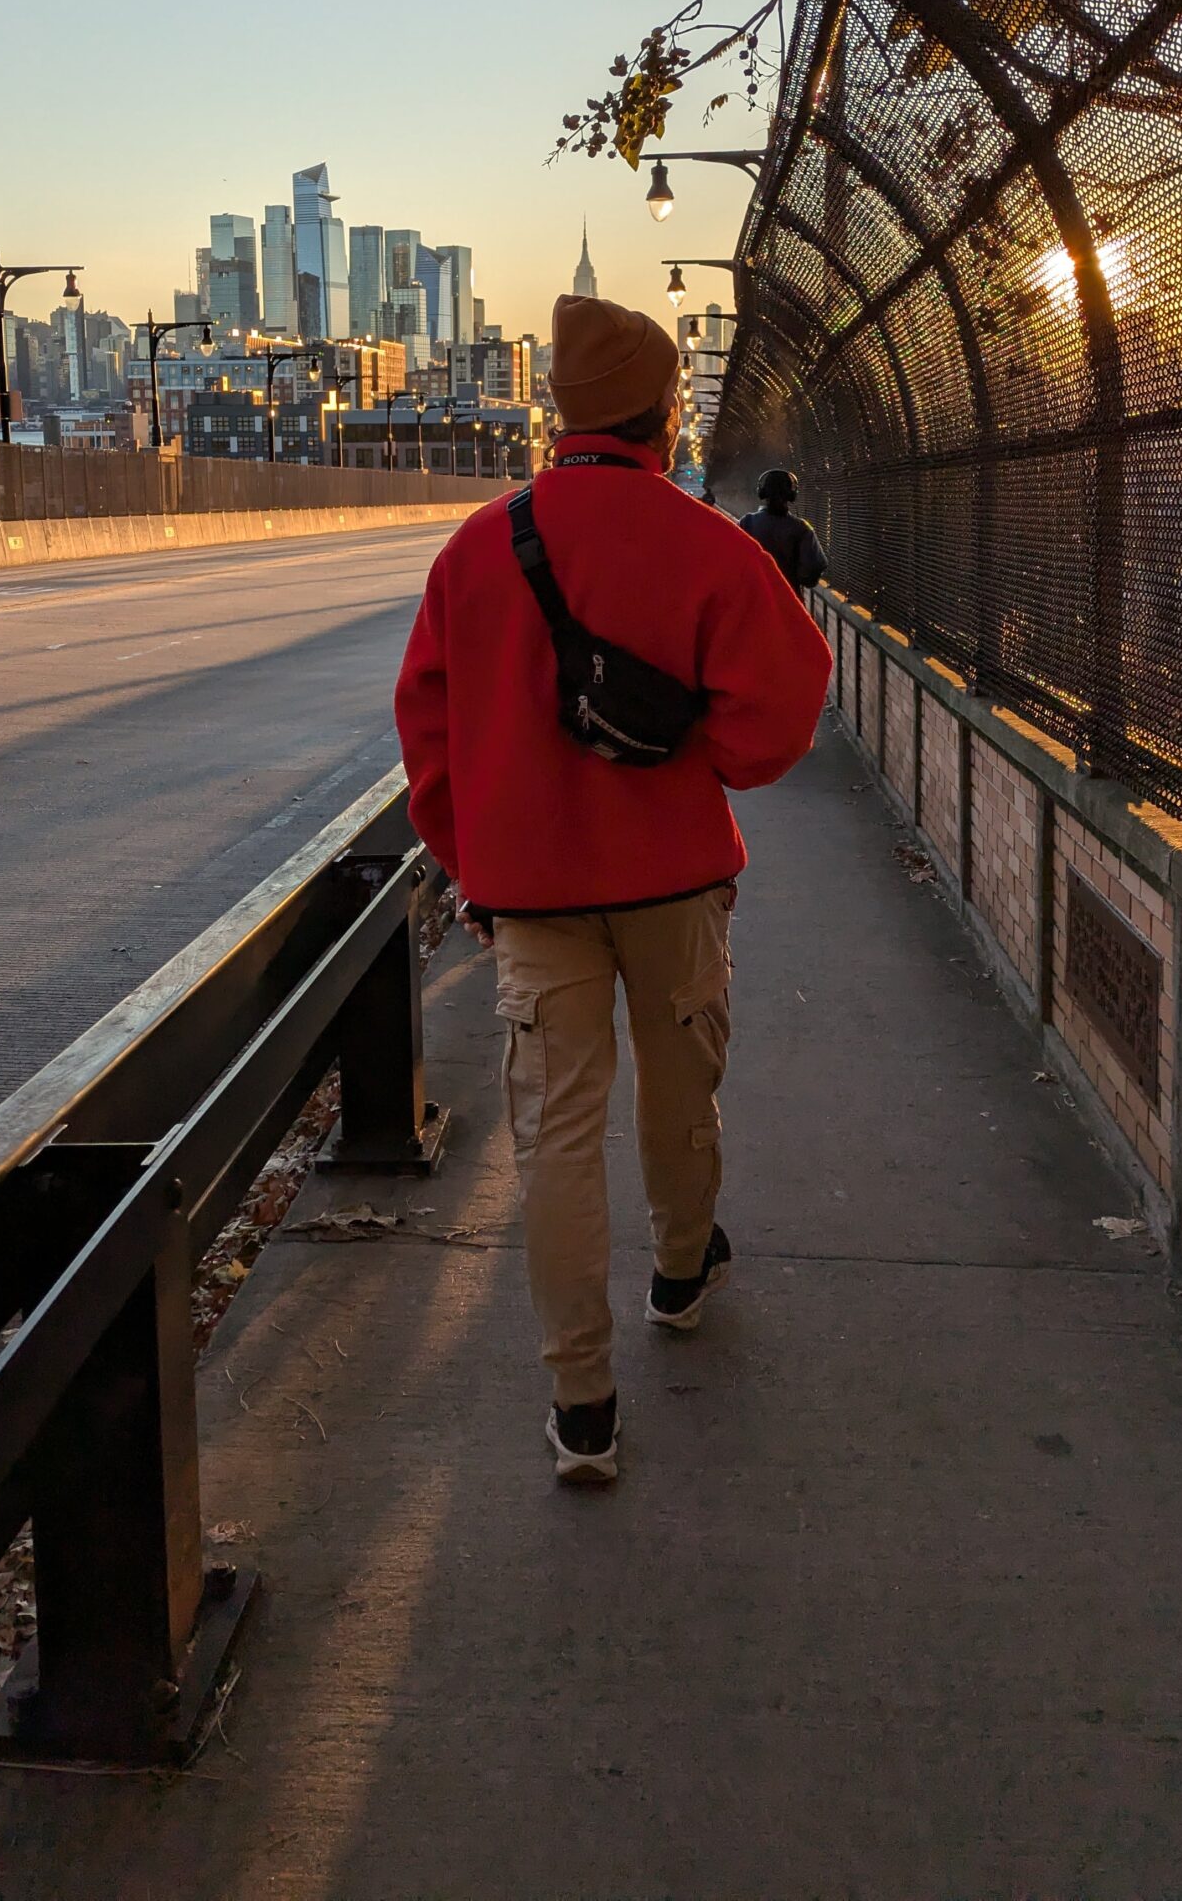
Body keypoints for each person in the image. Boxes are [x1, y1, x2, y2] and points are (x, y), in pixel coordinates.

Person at [394, 292, 832, 1483]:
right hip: (675, 878)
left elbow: (426, 731)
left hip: (529, 896)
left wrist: (475, 863)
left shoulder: (476, 548)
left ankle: (580, 1401)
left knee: (555, 1136)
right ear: (662, 408)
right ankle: (681, 1272)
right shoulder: (703, 543)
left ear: (557, 413)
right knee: (679, 1092)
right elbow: (788, 699)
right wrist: (713, 762)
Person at [739, 467, 827, 603]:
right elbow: (811, 572)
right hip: (790, 605)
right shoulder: (801, 528)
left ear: (762, 493)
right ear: (791, 495)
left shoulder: (747, 523)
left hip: (752, 604)